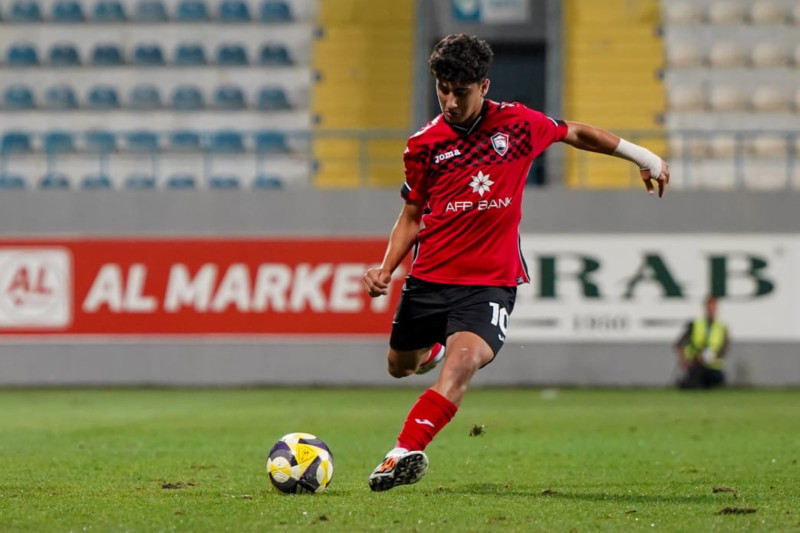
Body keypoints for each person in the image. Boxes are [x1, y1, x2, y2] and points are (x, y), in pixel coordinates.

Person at [361, 33, 670, 492]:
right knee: (399, 366)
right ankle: (436, 349)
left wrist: (643, 156)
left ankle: (402, 452)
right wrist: (387, 268)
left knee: (462, 367)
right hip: (429, 279)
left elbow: (576, 132)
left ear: (483, 87)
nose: (449, 101)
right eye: (442, 89)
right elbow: (412, 214)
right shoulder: (423, 144)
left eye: (459, 92)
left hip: (488, 283)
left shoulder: (518, 125)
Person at [674, 296, 729, 390]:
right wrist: (685, 361)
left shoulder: (722, 327)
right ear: (705, 308)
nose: (711, 310)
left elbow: (724, 349)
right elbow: (679, 344)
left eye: (713, 307)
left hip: (713, 366)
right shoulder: (695, 325)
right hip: (696, 364)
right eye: (709, 307)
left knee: (718, 380)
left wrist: (712, 356)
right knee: (694, 384)